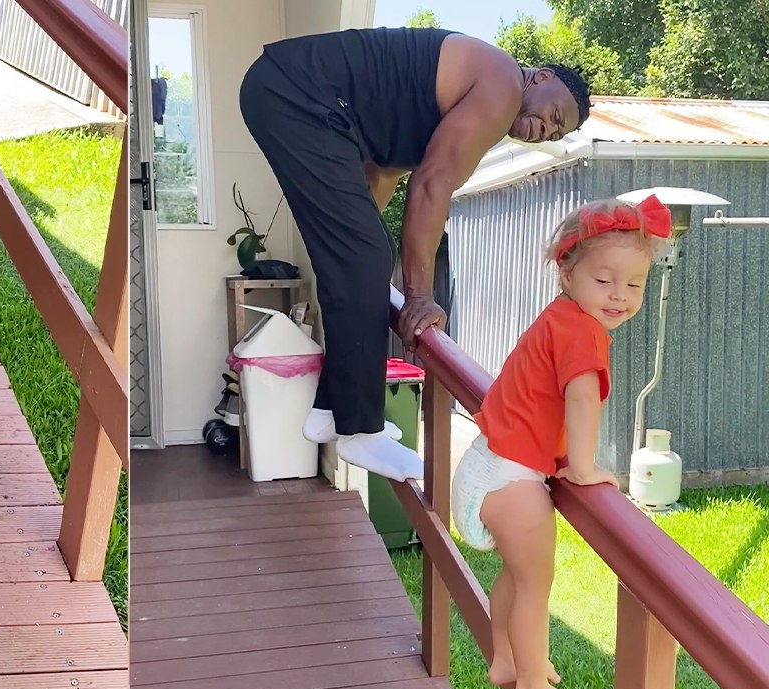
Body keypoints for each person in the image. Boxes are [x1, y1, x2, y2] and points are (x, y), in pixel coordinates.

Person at [239, 27, 593, 482]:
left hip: (294, 93)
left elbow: (382, 177)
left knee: (365, 259)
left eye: (554, 131)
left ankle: (331, 410)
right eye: (554, 112)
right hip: (299, 92)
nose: (545, 128)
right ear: (539, 77)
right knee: (365, 259)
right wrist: (419, 296)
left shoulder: (446, 106)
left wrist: (361, 259)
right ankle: (359, 432)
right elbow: (432, 186)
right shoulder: (503, 82)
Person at [451, 195, 672, 689]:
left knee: (516, 572)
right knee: (534, 583)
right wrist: (584, 465)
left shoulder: (563, 316)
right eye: (604, 281)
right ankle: (531, 684)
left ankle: (506, 657)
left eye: (634, 283)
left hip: (490, 464)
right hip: (510, 476)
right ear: (566, 274)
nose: (620, 296)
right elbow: (580, 395)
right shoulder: (581, 331)